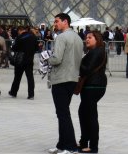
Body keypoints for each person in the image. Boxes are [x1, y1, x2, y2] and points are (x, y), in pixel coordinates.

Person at [47, 13, 83, 154]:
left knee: (62, 114)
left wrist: (47, 58)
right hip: (73, 78)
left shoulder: (61, 37)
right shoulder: (78, 38)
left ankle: (70, 146)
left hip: (61, 78)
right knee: (63, 112)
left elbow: (56, 59)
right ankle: (62, 144)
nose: (55, 24)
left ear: (65, 22)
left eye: (57, 21)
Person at [77, 31, 107, 154]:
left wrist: (77, 62)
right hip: (94, 85)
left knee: (90, 115)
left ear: (97, 39)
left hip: (93, 86)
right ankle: (84, 142)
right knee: (84, 112)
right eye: (86, 38)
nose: (86, 40)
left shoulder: (97, 51)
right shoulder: (96, 51)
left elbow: (87, 70)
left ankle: (93, 147)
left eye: (90, 37)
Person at [9, 24, 38, 99]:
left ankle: (13, 92)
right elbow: (37, 48)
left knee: (17, 77)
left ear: (19, 30)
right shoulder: (33, 37)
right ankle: (31, 94)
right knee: (30, 78)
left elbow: (14, 48)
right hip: (29, 60)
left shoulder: (19, 37)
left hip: (20, 61)